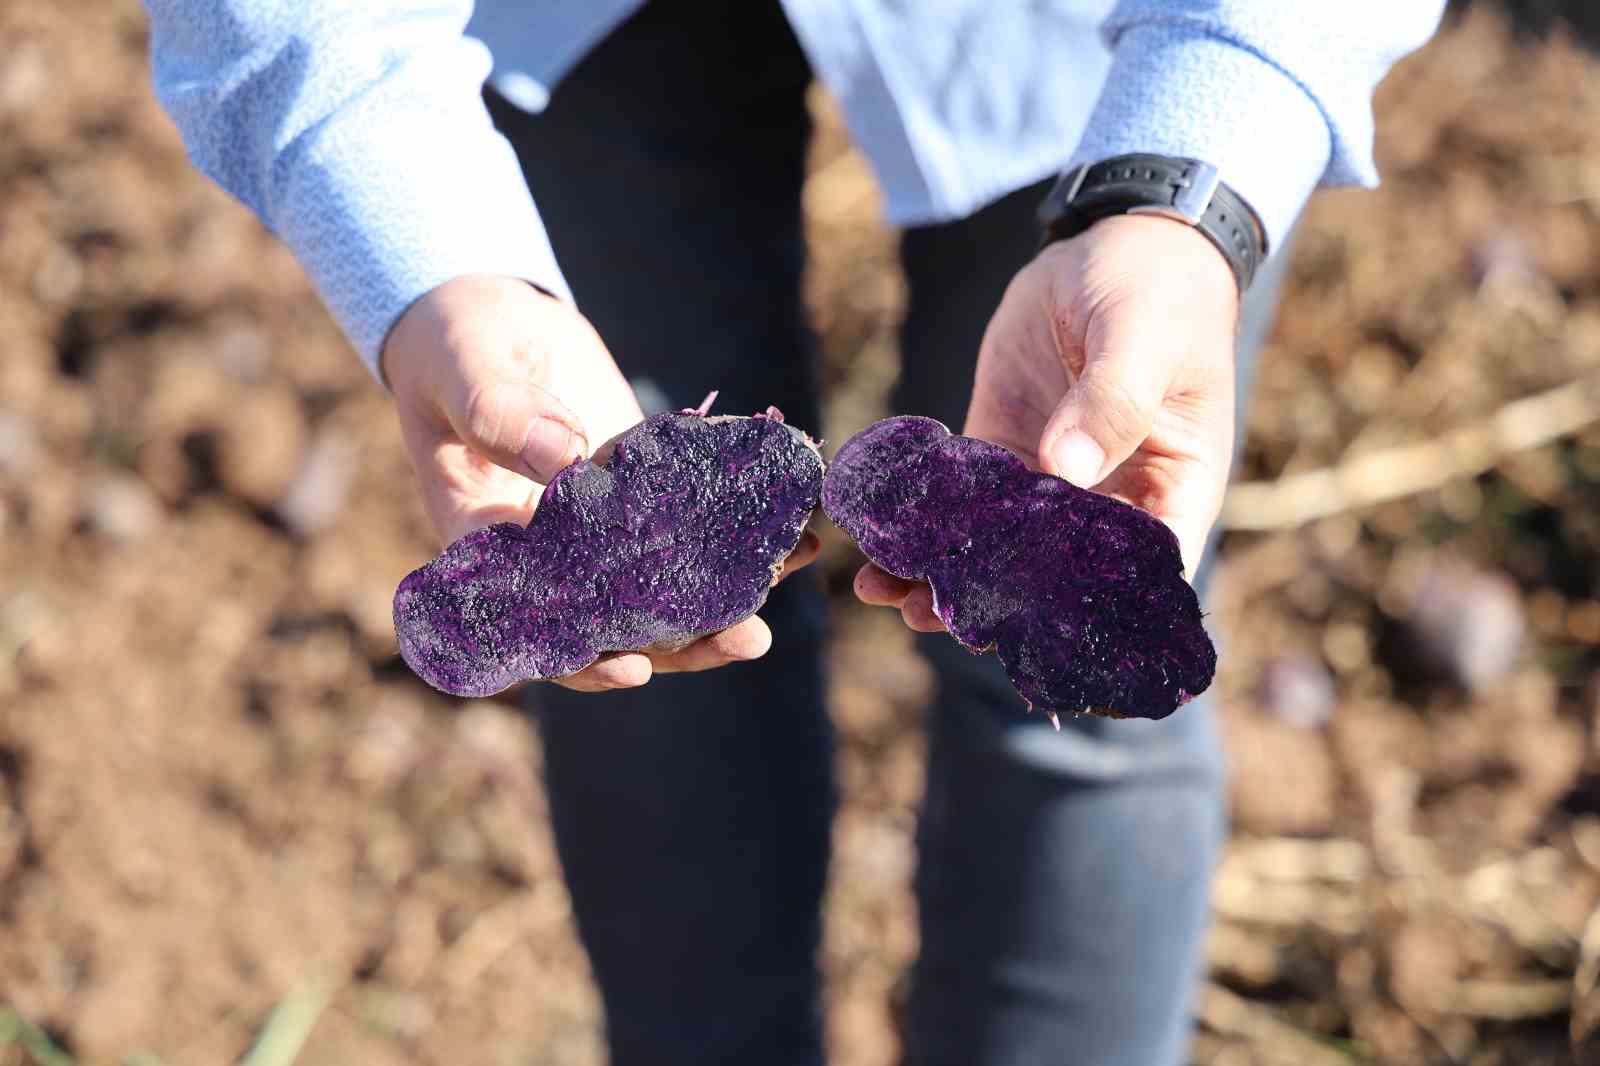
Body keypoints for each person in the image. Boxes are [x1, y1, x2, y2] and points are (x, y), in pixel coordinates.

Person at [142, 2, 1445, 1062]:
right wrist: (432, 260)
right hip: (569, 34)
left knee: (1078, 677)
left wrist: (1191, 177)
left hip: (1091, 41)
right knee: (661, 673)